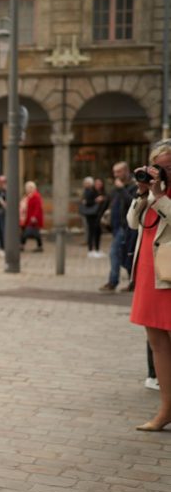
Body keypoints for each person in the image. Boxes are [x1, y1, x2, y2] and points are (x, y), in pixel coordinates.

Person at [128, 139, 171, 431]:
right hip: (149, 271)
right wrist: (143, 193)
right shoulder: (151, 192)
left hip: (169, 272)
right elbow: (133, 222)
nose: (161, 172)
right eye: (158, 166)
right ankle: (166, 409)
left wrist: (159, 195)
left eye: (167, 166)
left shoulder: (164, 195)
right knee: (156, 342)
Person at [100, 162, 137, 292]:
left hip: (127, 226)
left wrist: (121, 189)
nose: (116, 175)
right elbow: (110, 202)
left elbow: (133, 203)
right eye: (115, 172)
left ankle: (113, 282)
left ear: (126, 171)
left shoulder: (134, 186)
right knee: (125, 254)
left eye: (119, 172)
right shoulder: (115, 187)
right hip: (115, 226)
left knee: (114, 252)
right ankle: (133, 282)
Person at [80, 176, 107, 257]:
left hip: (99, 215)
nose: (98, 185)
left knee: (98, 232)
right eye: (97, 183)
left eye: (100, 183)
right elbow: (86, 202)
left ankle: (97, 249)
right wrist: (96, 200)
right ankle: (91, 250)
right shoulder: (90, 192)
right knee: (91, 232)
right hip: (91, 215)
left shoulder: (103, 192)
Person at [19, 181, 44, 252]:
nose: (27, 189)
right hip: (26, 217)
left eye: (28, 188)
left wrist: (34, 217)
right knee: (31, 232)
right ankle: (23, 245)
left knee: (29, 232)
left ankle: (22, 245)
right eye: (26, 188)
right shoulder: (28, 196)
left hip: (32, 218)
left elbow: (37, 207)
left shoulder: (36, 196)